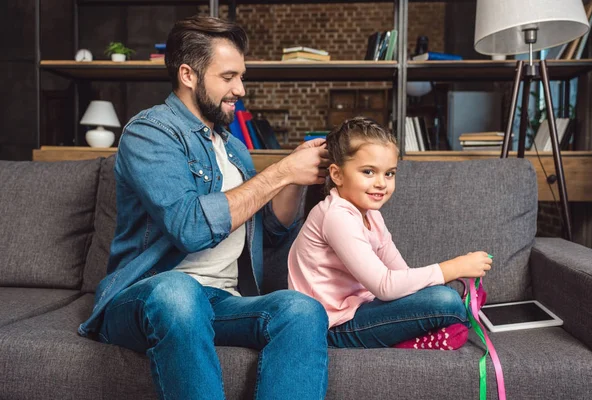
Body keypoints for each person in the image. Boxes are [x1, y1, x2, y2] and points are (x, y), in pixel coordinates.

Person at [78, 14, 331, 400]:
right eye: (228, 77)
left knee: (302, 311)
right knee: (180, 292)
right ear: (188, 75)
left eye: (241, 76)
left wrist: (294, 179)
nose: (241, 89)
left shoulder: (233, 148)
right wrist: (279, 173)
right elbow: (191, 228)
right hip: (147, 297)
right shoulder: (149, 132)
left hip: (221, 300)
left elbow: (273, 230)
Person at [288, 117, 493, 350]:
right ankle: (434, 327)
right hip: (331, 327)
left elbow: (401, 274)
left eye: (389, 174)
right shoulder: (336, 216)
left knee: (441, 293)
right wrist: (454, 267)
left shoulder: (371, 215)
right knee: (444, 300)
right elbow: (385, 285)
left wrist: (445, 280)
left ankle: (445, 319)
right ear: (337, 174)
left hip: (360, 309)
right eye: (368, 172)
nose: (381, 183)